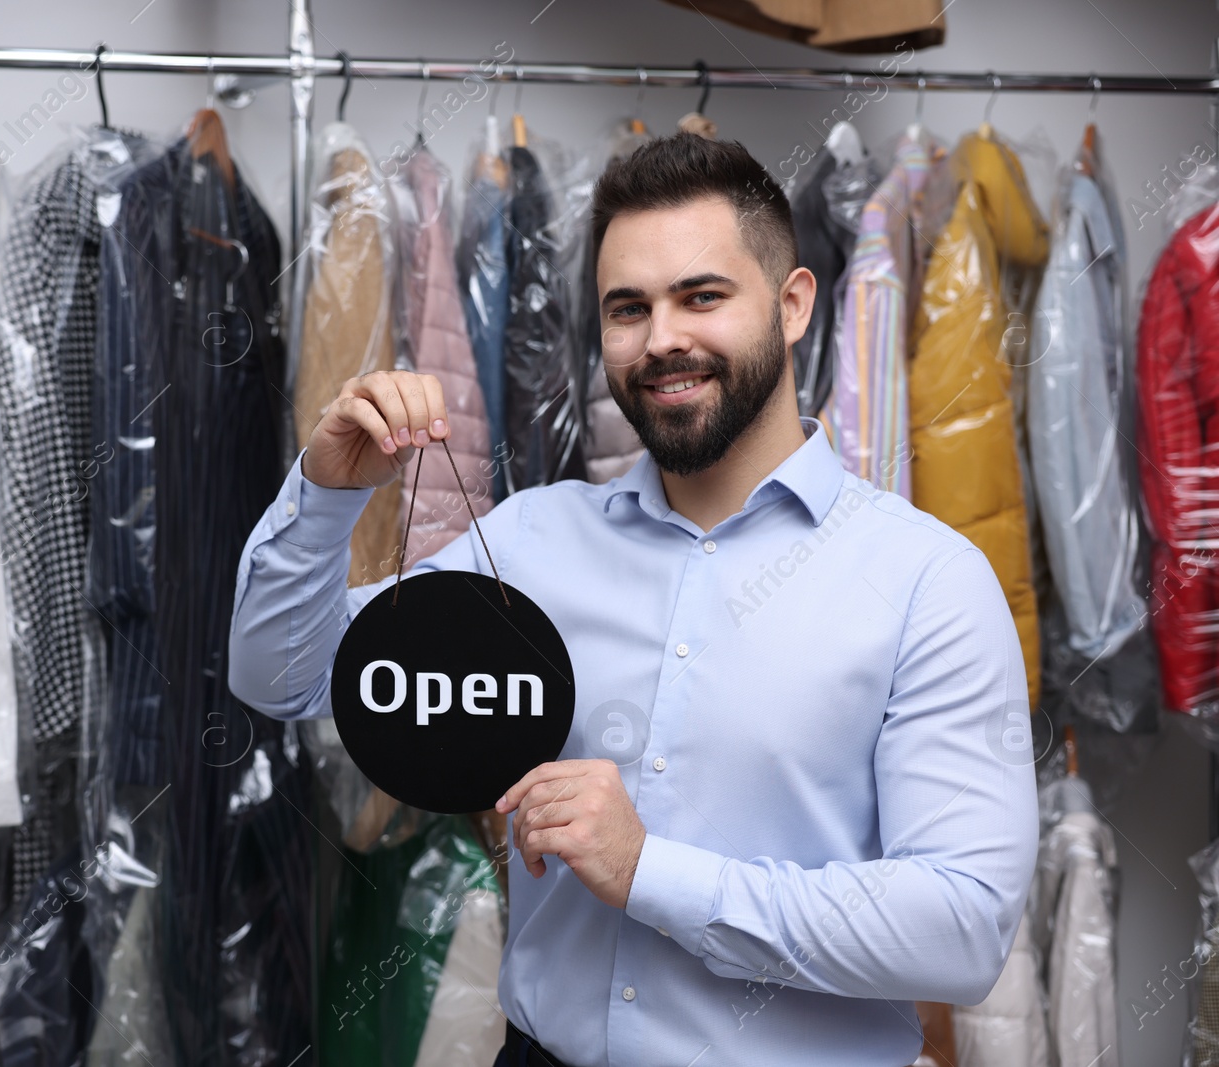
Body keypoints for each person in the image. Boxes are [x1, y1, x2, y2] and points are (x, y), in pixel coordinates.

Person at [229, 132, 1038, 1067]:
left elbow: (963, 928)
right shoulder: (531, 543)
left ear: (794, 303)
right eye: (628, 308)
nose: (662, 341)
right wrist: (327, 494)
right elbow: (280, 674)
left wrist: (651, 871)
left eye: (702, 296)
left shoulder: (927, 582)